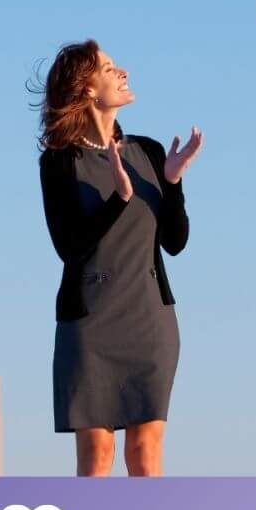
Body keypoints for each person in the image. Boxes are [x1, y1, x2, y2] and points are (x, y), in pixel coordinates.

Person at [36, 41, 202, 477]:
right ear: (87, 88)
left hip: (149, 320)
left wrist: (173, 182)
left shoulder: (147, 151)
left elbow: (176, 242)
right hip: (91, 324)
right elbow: (68, 247)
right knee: (97, 458)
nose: (122, 71)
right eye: (109, 68)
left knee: (145, 454)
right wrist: (119, 199)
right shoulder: (59, 162)